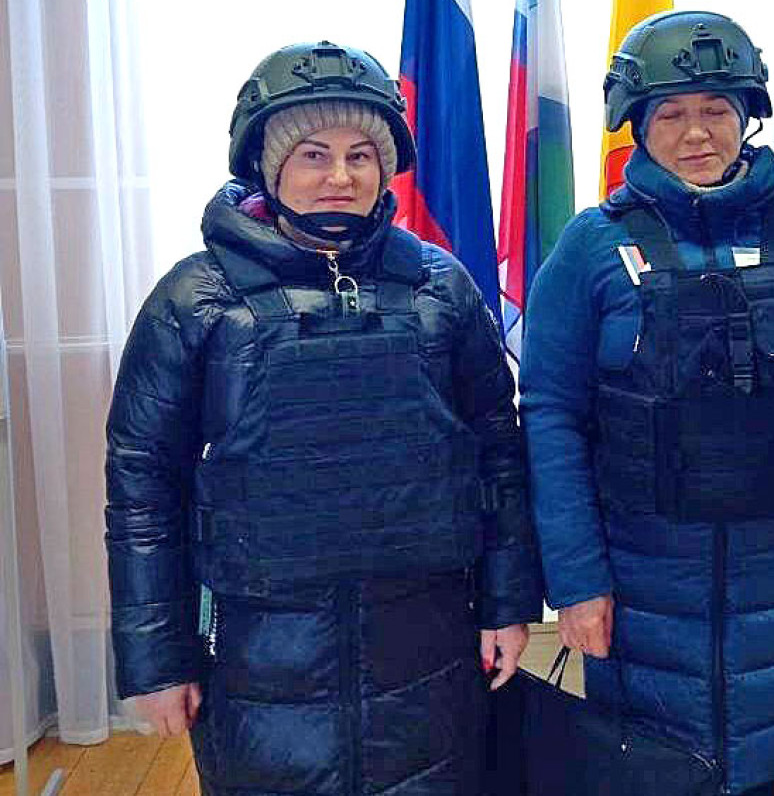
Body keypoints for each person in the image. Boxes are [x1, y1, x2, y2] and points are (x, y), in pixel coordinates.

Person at [104, 41, 542, 795]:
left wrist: (508, 607)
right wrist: (156, 657)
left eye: (360, 155)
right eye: (313, 154)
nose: (340, 176)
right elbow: (144, 487)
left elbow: (498, 456)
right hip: (258, 660)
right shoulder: (196, 299)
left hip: (426, 648)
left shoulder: (441, 288)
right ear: (269, 167)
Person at [520, 10, 774, 795]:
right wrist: (575, 581)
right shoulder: (592, 245)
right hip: (640, 583)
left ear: (746, 115)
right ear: (635, 124)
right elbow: (551, 416)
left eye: (715, 110)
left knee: (767, 769)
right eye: (670, 113)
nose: (696, 133)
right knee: (651, 772)